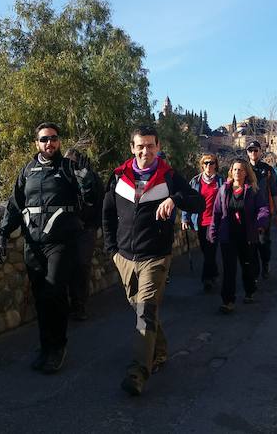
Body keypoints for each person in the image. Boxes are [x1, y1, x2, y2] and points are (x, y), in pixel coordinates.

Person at [102, 126, 204, 396]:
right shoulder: (118, 177)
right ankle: (158, 352)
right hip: (124, 256)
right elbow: (108, 215)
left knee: (145, 310)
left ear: (158, 147)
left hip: (155, 257)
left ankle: (138, 372)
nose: (145, 151)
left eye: (150, 146)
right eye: (140, 146)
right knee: (140, 309)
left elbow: (199, 203)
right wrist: (112, 249)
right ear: (132, 148)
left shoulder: (168, 177)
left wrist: (174, 198)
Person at [0, 122, 98, 374]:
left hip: (61, 243)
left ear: (59, 141)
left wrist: (87, 177)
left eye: (53, 138)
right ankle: (45, 346)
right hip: (33, 244)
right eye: (43, 139)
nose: (49, 143)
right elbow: (15, 205)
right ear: (36, 143)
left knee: (55, 293)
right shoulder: (28, 170)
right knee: (41, 298)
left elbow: (93, 197)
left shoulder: (68, 167)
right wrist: (1, 237)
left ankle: (58, 347)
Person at [208, 159, 269, 313]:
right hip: (228, 235)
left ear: (246, 172)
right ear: (231, 171)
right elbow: (216, 212)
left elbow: (262, 208)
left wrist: (261, 221)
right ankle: (228, 300)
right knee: (228, 269)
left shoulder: (253, 190)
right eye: (235, 169)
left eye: (241, 170)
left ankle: (249, 290)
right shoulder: (224, 190)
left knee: (247, 265)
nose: (237, 172)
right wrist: (213, 231)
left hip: (247, 234)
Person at [65, 148, 103, 321]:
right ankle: (70, 304)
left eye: (72, 161)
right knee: (67, 266)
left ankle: (79, 305)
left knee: (81, 265)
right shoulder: (63, 177)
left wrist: (85, 181)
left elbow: (96, 199)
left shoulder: (91, 176)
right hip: (67, 228)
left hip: (87, 228)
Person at [182, 154, 225, 292]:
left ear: (215, 165)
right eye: (206, 163)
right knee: (206, 251)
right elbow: (187, 201)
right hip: (199, 221)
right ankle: (214, 273)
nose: (208, 166)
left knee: (211, 250)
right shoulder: (195, 182)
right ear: (202, 165)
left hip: (215, 222)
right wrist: (184, 218)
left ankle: (206, 280)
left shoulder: (220, 181)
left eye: (211, 163)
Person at [245, 140, 277, 279]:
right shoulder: (243, 169)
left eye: (256, 150)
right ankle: (254, 271)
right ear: (247, 152)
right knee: (250, 243)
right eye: (251, 150)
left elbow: (274, 192)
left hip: (264, 211)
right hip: (247, 211)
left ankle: (265, 262)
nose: (253, 153)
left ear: (260, 152)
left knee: (263, 242)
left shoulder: (267, 170)